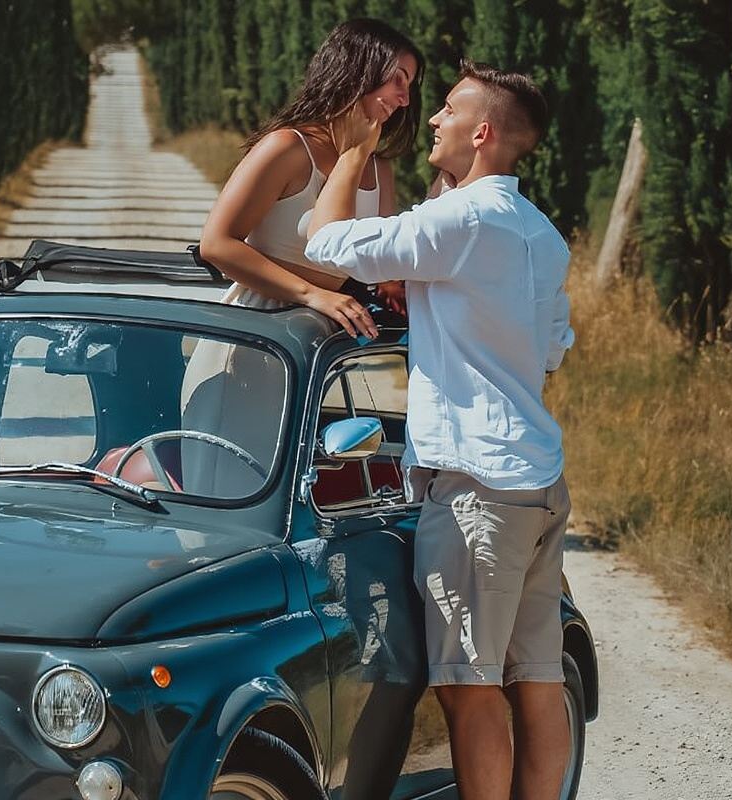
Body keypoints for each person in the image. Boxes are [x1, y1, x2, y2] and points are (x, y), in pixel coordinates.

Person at [303, 61, 575, 800]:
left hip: (476, 491)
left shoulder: (461, 223)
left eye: (447, 110)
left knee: (468, 685)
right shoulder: (540, 234)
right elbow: (552, 347)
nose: (430, 119)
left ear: (482, 132)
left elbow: (324, 245)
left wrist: (357, 149)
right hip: (537, 478)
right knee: (539, 677)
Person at [179, 19, 423, 497]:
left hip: (315, 355)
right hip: (249, 341)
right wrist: (313, 294)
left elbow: (375, 261)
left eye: (410, 85)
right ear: (358, 68)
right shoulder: (288, 147)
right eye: (397, 78)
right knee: (227, 491)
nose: (405, 97)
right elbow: (218, 243)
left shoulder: (380, 167)